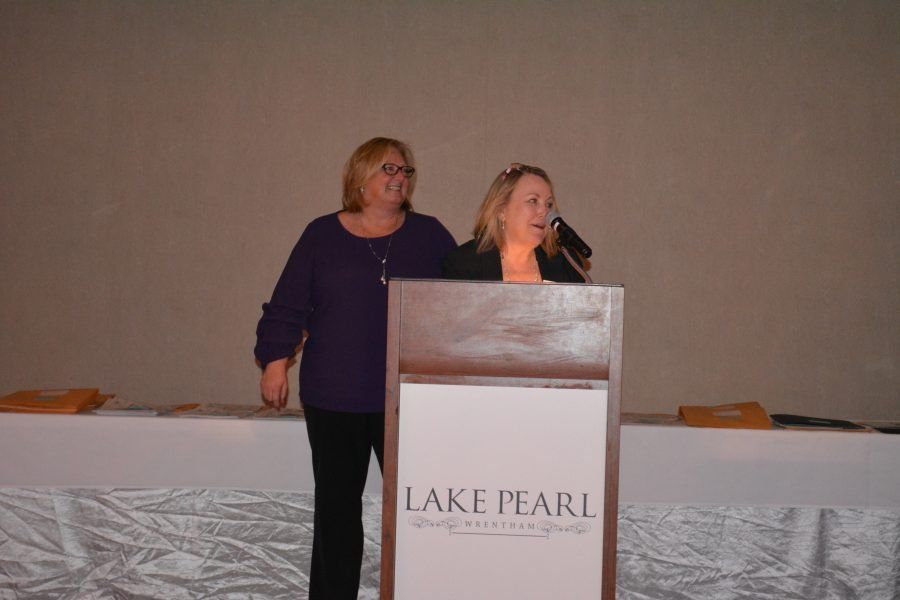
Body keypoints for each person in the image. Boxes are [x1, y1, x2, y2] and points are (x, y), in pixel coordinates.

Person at [254, 137, 456, 599]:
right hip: (334, 399)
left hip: (407, 402)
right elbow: (287, 306)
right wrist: (275, 362)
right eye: (389, 169)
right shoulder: (321, 235)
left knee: (418, 513)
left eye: (406, 171)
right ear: (360, 177)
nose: (399, 178)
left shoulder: (428, 235)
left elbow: (465, 296)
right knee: (337, 514)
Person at [442, 163, 586, 282]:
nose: (544, 212)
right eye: (533, 201)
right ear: (501, 211)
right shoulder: (464, 263)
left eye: (548, 204)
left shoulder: (566, 264)